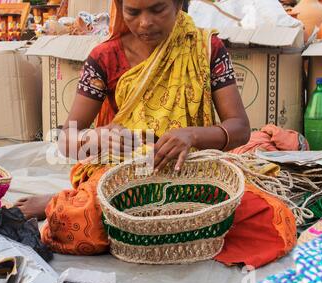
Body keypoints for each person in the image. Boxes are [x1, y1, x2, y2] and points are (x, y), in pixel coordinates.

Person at [15, 0, 296, 266]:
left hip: (192, 171)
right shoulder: (105, 57)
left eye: (158, 9)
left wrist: (193, 136)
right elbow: (67, 140)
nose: (145, 23)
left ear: (178, 4)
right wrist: (98, 137)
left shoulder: (205, 47)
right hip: (123, 176)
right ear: (119, 8)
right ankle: (60, 201)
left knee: (269, 218)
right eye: (133, 12)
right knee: (81, 225)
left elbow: (240, 128)